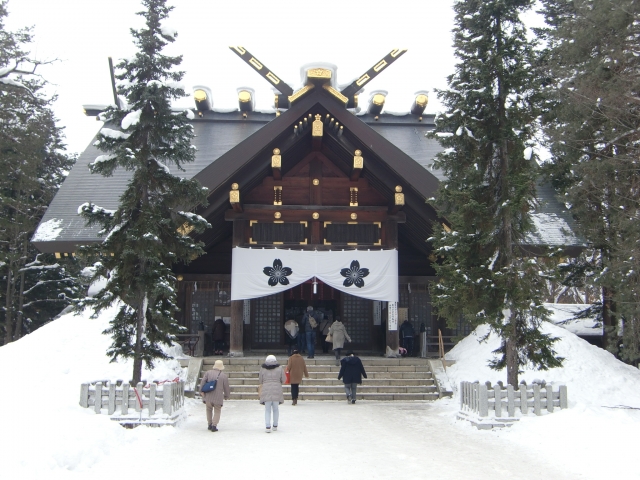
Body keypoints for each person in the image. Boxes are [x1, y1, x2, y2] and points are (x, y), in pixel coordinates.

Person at [199, 359, 230, 432]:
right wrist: (226, 395)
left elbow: (203, 382)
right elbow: (226, 387)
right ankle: (214, 425)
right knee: (217, 411)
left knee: (208, 410)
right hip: (218, 397)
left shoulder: (208, 373)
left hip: (208, 395)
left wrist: (201, 391)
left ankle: (209, 424)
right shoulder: (223, 376)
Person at [259, 354, 286, 433]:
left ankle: (267, 426)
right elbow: (284, 379)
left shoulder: (262, 369)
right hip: (277, 389)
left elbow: (260, 380)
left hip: (266, 390)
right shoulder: (280, 368)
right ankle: (275, 425)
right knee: (276, 409)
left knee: (267, 410)